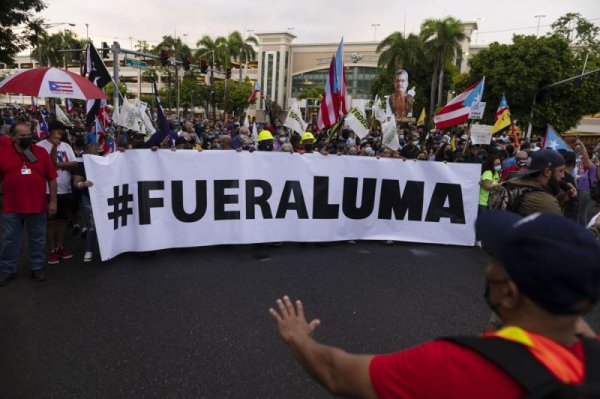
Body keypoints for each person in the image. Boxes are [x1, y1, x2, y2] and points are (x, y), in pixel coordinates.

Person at [269, 212, 600, 398]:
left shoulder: (453, 367)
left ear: (510, 295)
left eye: (497, 260)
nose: (488, 267)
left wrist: (297, 337)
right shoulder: (590, 355)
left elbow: (336, 374)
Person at [0, 121, 58, 285]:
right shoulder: (2, 153)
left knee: (37, 239)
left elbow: (52, 178)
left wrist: (53, 201)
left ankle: (36, 266)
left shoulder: (40, 152)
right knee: (10, 240)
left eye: (28, 135)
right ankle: (7, 269)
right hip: (11, 207)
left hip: (37, 206)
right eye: (22, 136)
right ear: (12, 137)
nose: (26, 138)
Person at [36, 121, 78, 264]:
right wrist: (54, 148)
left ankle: (60, 246)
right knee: (50, 222)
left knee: (62, 221)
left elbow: (74, 163)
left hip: (65, 189)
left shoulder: (66, 146)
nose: (62, 134)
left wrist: (60, 165)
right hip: (47, 190)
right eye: (59, 131)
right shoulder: (40, 146)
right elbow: (46, 166)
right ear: (52, 131)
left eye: (62, 132)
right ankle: (52, 250)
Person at [509, 149, 575, 216]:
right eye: (560, 171)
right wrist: (572, 202)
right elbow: (561, 223)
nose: (563, 175)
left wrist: (558, 199)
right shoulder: (547, 203)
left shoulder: (511, 183)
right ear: (547, 172)